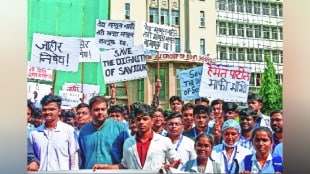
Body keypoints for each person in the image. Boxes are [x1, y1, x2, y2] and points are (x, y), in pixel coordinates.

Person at [92, 103, 181, 172]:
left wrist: (168, 168)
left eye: (145, 119)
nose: (141, 122)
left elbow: (177, 161)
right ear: (134, 121)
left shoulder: (163, 141)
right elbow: (124, 166)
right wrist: (104, 167)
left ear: (152, 121)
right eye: (138, 119)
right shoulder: (128, 142)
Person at [27, 95, 79, 171]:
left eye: (52, 109)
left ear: (59, 111)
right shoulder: (34, 133)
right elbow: (32, 160)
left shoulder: (69, 131)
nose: (47, 112)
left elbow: (74, 159)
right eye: (44, 109)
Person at [78, 96, 129, 169]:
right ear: (90, 111)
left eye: (103, 109)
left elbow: (128, 157)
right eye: (96, 110)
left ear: (107, 110)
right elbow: (82, 157)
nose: (100, 112)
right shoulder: (84, 130)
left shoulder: (120, 128)